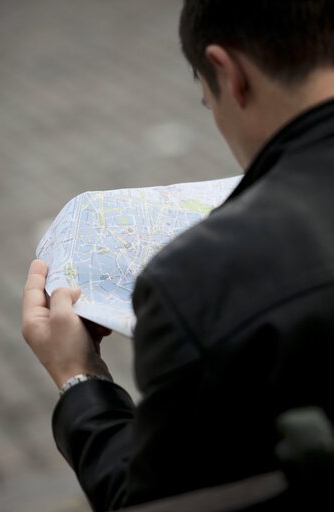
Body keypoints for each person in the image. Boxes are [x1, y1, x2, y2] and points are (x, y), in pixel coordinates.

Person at [22, 1, 334, 511]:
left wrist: (79, 380)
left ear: (230, 75)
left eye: (207, 101)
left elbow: (154, 499)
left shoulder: (196, 284)